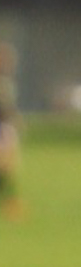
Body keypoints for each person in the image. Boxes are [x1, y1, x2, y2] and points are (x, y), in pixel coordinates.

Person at [0, 42, 24, 222]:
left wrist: (16, 120)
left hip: (6, 128)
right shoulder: (3, 83)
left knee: (8, 168)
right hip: (3, 129)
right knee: (6, 167)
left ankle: (11, 202)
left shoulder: (7, 82)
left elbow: (9, 107)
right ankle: (12, 203)